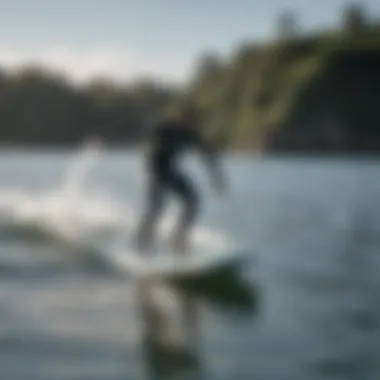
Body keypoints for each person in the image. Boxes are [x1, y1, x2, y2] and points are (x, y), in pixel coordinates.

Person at [135, 103, 226, 254]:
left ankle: (178, 238)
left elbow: (209, 157)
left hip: (170, 171)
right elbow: (148, 137)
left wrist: (218, 180)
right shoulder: (167, 128)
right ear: (181, 118)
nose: (190, 124)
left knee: (193, 201)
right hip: (154, 170)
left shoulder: (191, 135)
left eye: (193, 122)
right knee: (156, 209)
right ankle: (142, 242)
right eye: (187, 120)